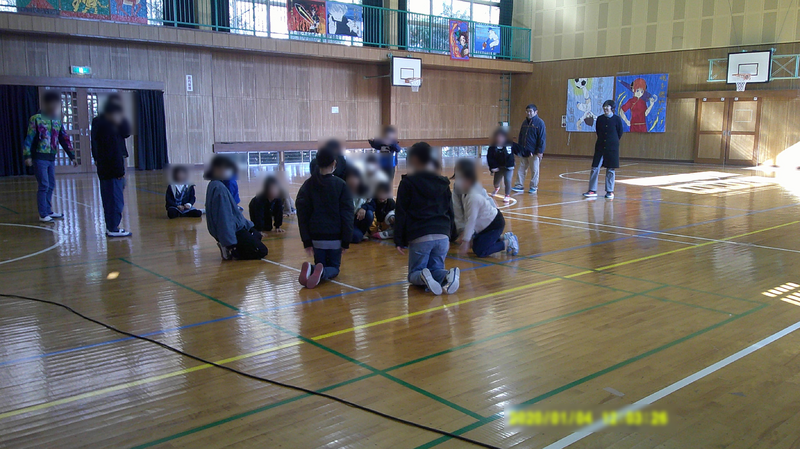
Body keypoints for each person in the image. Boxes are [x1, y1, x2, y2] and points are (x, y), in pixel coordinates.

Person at [395, 142, 459, 295]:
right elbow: (450, 210)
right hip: (443, 234)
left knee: (414, 274)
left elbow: (401, 213)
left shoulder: (408, 183)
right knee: (436, 269)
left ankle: (423, 275)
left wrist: (399, 240)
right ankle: (448, 274)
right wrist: (452, 234)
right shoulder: (443, 183)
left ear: (415, 159)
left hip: (420, 234)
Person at [296, 143, 355, 289]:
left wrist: (306, 240)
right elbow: (347, 215)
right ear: (334, 163)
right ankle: (320, 272)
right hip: (335, 237)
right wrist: (346, 241)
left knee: (320, 263)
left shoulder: (308, 185)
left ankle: (312, 269)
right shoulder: (341, 185)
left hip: (316, 237)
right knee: (334, 268)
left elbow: (302, 215)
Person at [23, 91, 76, 223]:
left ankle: (48, 210)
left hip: (51, 157)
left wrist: (72, 155)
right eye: (52, 103)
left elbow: (64, 138)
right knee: (44, 184)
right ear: (46, 104)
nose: (55, 106)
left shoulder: (57, 121)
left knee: (51, 184)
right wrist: (27, 155)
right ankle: (43, 213)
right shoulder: (36, 119)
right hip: (39, 157)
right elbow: (29, 138)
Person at [452, 159, 519, 258]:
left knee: (481, 250)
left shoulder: (474, 195)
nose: (458, 182)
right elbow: (457, 209)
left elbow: (471, 219)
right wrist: (463, 231)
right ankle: (503, 237)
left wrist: (466, 240)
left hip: (493, 223)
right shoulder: (460, 188)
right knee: (476, 245)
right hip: (482, 225)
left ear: (469, 179)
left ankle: (508, 242)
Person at [205, 156, 268, 260]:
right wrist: (229, 242)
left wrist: (248, 226)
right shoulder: (219, 189)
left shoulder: (216, 184)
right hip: (234, 230)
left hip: (236, 226)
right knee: (261, 251)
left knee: (256, 235)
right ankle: (230, 250)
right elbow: (223, 217)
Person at [91, 95, 132, 237]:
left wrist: (120, 120)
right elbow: (107, 148)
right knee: (114, 199)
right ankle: (113, 228)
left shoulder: (116, 121)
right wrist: (119, 170)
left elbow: (127, 132)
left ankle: (112, 226)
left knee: (113, 196)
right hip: (111, 167)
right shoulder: (103, 123)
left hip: (112, 166)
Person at [584, 100, 624, 199]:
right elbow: (598, 131)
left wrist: (612, 141)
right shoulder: (600, 119)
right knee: (595, 168)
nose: (605, 108)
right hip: (600, 146)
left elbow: (619, 132)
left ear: (612, 108)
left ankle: (610, 191)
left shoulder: (617, 119)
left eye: (608, 106)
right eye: (604, 106)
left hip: (612, 147)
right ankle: (592, 190)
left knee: (610, 169)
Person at [514, 104, 546, 194]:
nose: (528, 113)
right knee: (521, 168)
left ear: (536, 112)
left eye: (530, 111)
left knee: (534, 170)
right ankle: (519, 185)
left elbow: (542, 138)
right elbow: (521, 136)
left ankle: (533, 187)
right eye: (527, 111)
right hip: (524, 151)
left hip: (534, 152)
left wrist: (540, 151)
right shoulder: (524, 123)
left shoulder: (540, 123)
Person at [345, 166, 374, 243]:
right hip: (347, 221)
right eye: (350, 177)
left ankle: (361, 232)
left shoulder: (365, 189)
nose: (352, 180)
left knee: (369, 214)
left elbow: (372, 204)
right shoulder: (343, 190)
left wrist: (364, 207)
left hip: (358, 219)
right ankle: (358, 234)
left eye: (355, 177)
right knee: (357, 237)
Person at [486, 128, 516, 203]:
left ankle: (507, 195)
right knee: (496, 182)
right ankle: (497, 188)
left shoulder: (509, 145)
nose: (499, 138)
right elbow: (490, 159)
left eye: (501, 137)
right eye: (498, 137)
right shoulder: (492, 148)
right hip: (499, 167)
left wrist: (527, 152)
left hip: (508, 167)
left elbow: (519, 149)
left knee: (507, 180)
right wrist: (493, 167)